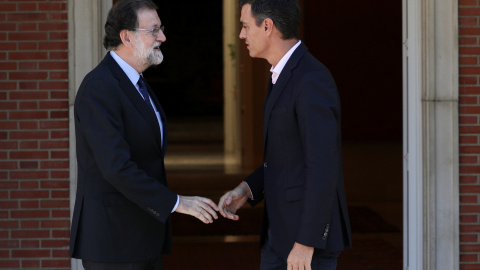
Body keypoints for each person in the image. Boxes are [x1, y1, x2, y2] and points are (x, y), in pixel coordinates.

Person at [69, 0, 219, 269]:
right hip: (114, 242)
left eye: (161, 29)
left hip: (142, 236)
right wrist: (176, 203)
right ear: (127, 36)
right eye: (154, 30)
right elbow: (116, 167)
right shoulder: (99, 88)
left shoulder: (135, 82)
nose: (163, 37)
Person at [218, 0, 352, 269]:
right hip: (279, 237)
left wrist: (305, 242)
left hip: (304, 245)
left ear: (267, 26)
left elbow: (322, 166)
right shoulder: (283, 74)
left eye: (245, 26)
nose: (241, 35)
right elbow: (286, 156)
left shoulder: (311, 79)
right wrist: (247, 189)